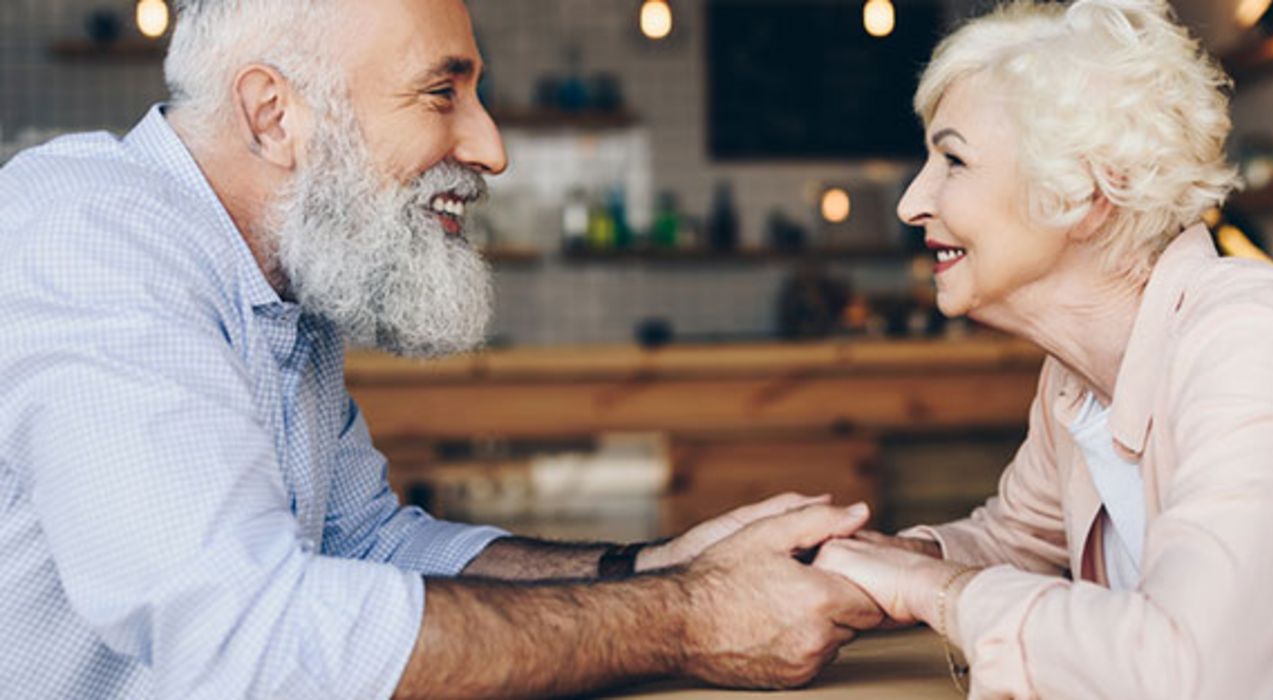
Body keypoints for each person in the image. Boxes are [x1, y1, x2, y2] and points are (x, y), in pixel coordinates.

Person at [0, 0, 884, 696]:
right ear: (274, 115)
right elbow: (252, 641)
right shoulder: (89, 235)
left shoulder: (280, 289)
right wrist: (688, 617)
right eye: (440, 93)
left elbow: (368, 549)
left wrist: (658, 566)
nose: (490, 147)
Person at [812, 0, 1273, 698]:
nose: (912, 201)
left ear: (1093, 190)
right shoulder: (1077, 378)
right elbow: (1013, 543)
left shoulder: (1256, 346)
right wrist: (868, 562)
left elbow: (1190, 672)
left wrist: (928, 588)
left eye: (952, 160)